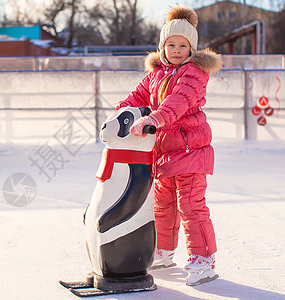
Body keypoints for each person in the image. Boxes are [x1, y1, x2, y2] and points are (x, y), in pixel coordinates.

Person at [115, 5, 222, 286]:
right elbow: (137, 95)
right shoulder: (157, 74)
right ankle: (164, 251)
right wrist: (121, 113)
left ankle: (204, 260)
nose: (176, 50)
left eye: (183, 45)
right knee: (162, 206)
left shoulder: (195, 73)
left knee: (191, 206)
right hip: (162, 153)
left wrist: (154, 119)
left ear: (192, 48)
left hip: (190, 151)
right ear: (162, 47)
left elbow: (178, 103)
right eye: (171, 44)